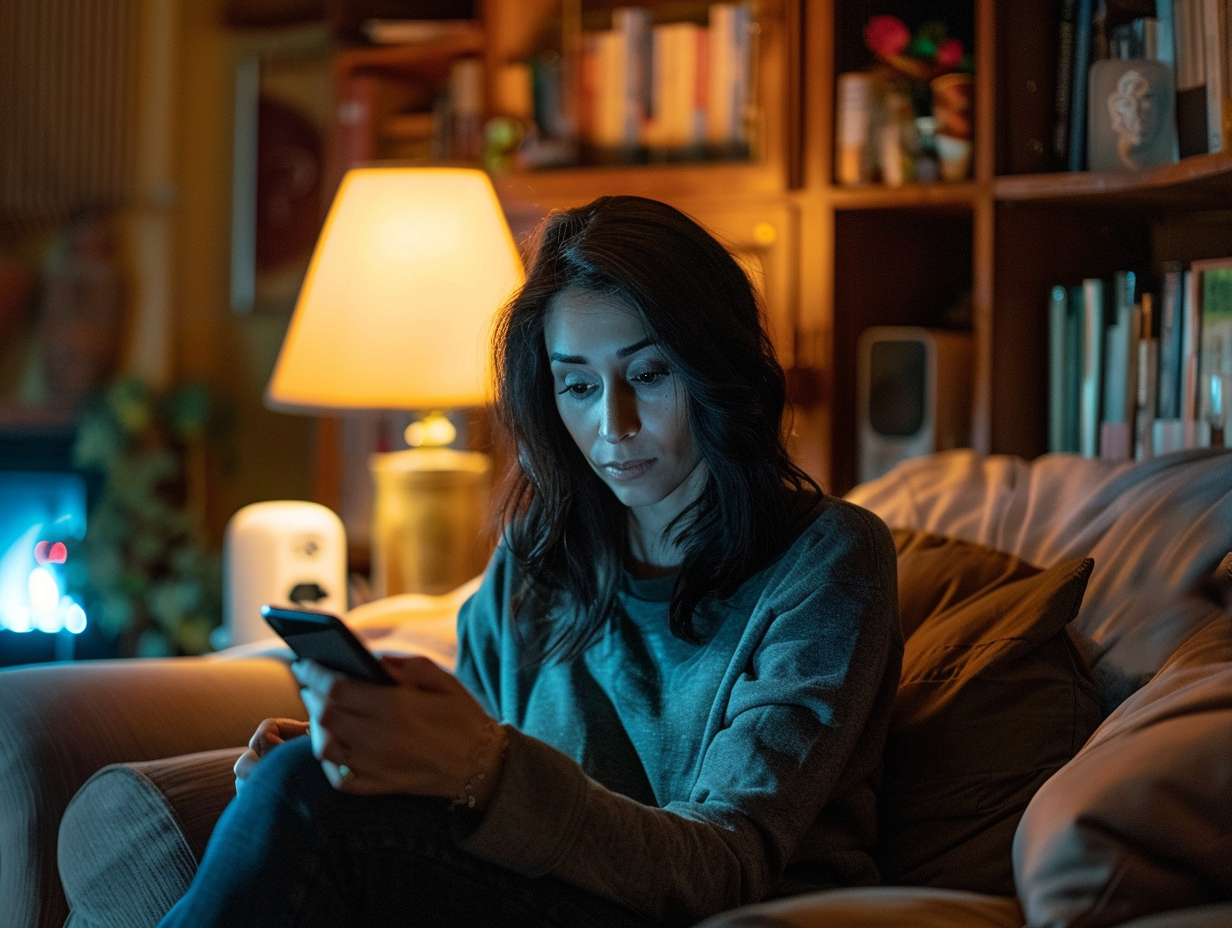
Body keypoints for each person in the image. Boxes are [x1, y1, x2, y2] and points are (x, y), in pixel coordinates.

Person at [158, 196, 902, 928]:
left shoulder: (830, 562)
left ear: (717, 370)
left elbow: (725, 866)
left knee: (297, 798)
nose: (614, 425)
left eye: (647, 376)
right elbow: (468, 778)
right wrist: (382, 755)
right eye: (578, 386)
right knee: (301, 783)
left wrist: (480, 765)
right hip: (531, 892)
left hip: (701, 912)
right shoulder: (539, 559)